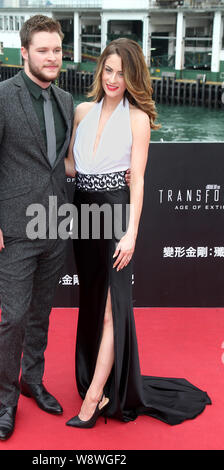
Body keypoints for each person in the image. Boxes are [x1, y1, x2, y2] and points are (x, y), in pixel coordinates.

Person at [64, 38, 211, 428]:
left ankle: (94, 398)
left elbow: (139, 181)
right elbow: (69, 166)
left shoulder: (137, 118)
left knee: (115, 305)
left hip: (115, 213)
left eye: (122, 72)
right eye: (108, 70)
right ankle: (100, 378)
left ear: (134, 77)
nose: (114, 79)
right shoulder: (81, 112)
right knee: (94, 300)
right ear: (100, 72)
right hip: (84, 214)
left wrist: (131, 234)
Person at [0, 15, 75, 441]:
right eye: (44, 50)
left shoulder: (66, 100)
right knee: (13, 317)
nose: (52, 58)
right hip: (13, 230)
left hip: (56, 224)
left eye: (57, 50)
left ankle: (34, 379)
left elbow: (61, 162)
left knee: (40, 313)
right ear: (25, 52)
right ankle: (7, 399)